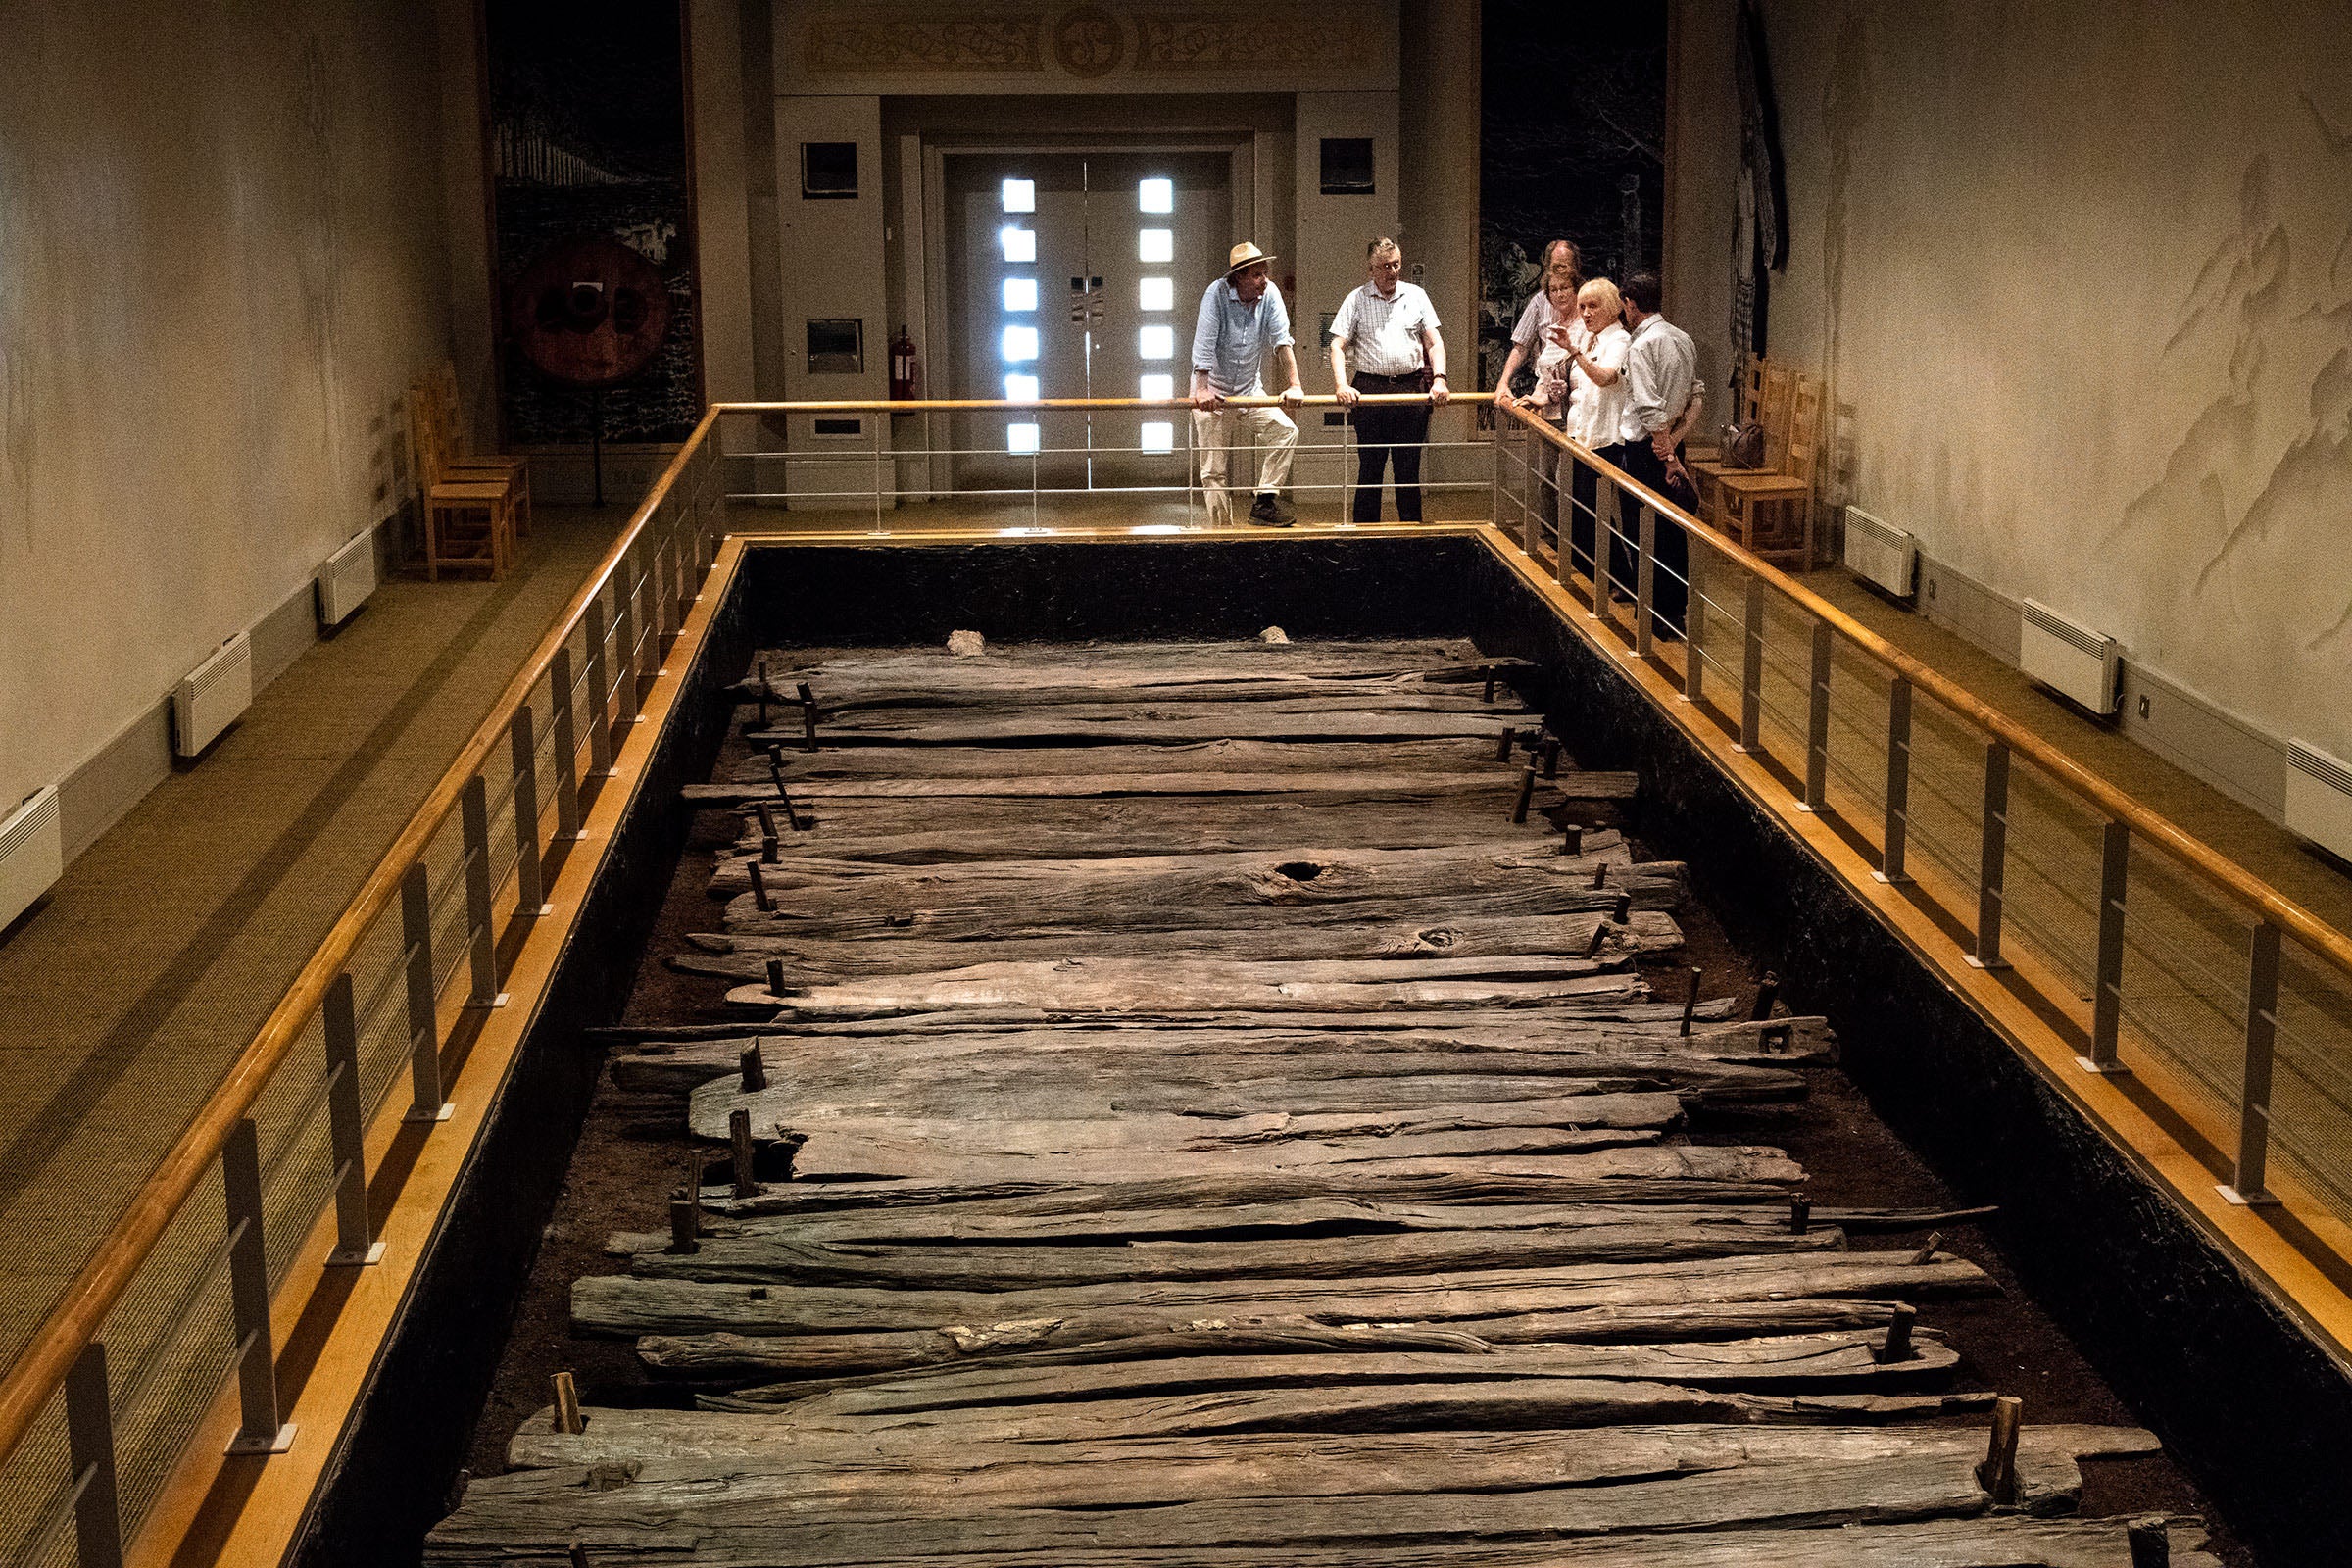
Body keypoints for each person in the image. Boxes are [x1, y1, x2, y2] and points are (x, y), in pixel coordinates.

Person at [1329, 237, 1449, 522]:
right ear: (1371, 269)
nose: (1392, 272)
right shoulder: (1356, 299)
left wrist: (1440, 379)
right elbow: (1336, 346)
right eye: (1384, 266)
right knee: (1370, 468)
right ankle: (1365, 536)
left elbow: (1434, 343)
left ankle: (1411, 533)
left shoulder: (1416, 295)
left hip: (1410, 389)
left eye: (1396, 264)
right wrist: (1341, 385)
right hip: (1371, 390)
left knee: (1408, 469)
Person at [1190, 242, 1305, 527]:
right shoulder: (1216, 293)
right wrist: (1202, 389)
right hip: (1213, 390)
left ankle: (1264, 502)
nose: (1264, 280)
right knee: (1214, 469)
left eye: (1265, 273)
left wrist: (1295, 384)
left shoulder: (1270, 293)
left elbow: (1282, 341)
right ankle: (1221, 531)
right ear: (1238, 277)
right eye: (1256, 275)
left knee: (1285, 431)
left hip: (1249, 389)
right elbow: (1204, 342)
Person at [1615, 271, 1705, 632]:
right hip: (1669, 444)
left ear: (1630, 304)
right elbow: (1696, 396)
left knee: (1643, 529)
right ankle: (1674, 611)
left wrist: (1666, 453)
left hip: (1647, 450)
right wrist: (1674, 444)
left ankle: (1654, 614)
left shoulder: (1641, 346)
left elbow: (1648, 407)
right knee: (1672, 530)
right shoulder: (1682, 337)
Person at [1556, 276, 1632, 584]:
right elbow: (1582, 386)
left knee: (1596, 512)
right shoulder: (1591, 340)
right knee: (1579, 511)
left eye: (1593, 306)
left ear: (1613, 308)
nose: (1586, 313)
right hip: (1581, 435)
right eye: (1582, 306)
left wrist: (1574, 352)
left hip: (1606, 437)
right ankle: (1595, 577)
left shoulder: (1620, 340)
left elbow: (1605, 378)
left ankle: (1621, 580)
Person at [1510, 271, 1582, 559]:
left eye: (1565, 288)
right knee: (1546, 480)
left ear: (1576, 290)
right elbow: (1546, 372)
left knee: (1567, 482)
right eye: (1554, 290)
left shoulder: (1584, 328)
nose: (1560, 294)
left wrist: (1558, 392)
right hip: (1548, 416)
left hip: (1572, 416)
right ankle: (1553, 540)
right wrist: (1539, 395)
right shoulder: (1555, 327)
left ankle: (1574, 546)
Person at [1491, 238, 1583, 409]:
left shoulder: (1589, 300)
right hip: (1548, 394)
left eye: (1564, 266)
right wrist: (1503, 382)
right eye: (1555, 267)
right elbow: (1521, 346)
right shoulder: (1540, 301)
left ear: (1576, 267)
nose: (1560, 294)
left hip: (1580, 393)